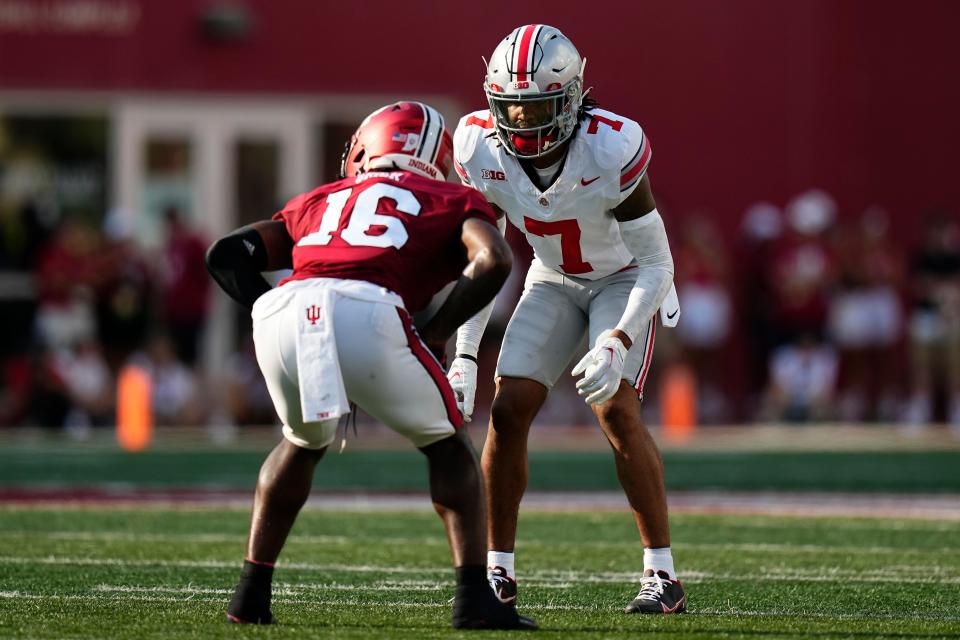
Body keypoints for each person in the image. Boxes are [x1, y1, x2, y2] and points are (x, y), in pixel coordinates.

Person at [205, 101, 536, 630]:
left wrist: (280, 319)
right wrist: (434, 333)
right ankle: (474, 599)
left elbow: (226, 254)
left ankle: (250, 595)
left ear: (366, 147)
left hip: (286, 308)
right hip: (368, 309)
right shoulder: (451, 195)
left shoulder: (321, 197)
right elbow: (494, 260)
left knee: (301, 442)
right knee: (449, 446)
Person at [448, 25, 685, 614]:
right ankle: (495, 571)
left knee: (615, 408)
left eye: (538, 107)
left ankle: (663, 575)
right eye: (513, 108)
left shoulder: (609, 145)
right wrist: (464, 354)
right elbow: (487, 254)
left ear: (573, 96)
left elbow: (658, 261)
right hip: (551, 278)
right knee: (505, 410)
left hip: (625, 278)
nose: (524, 122)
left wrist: (618, 337)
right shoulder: (477, 145)